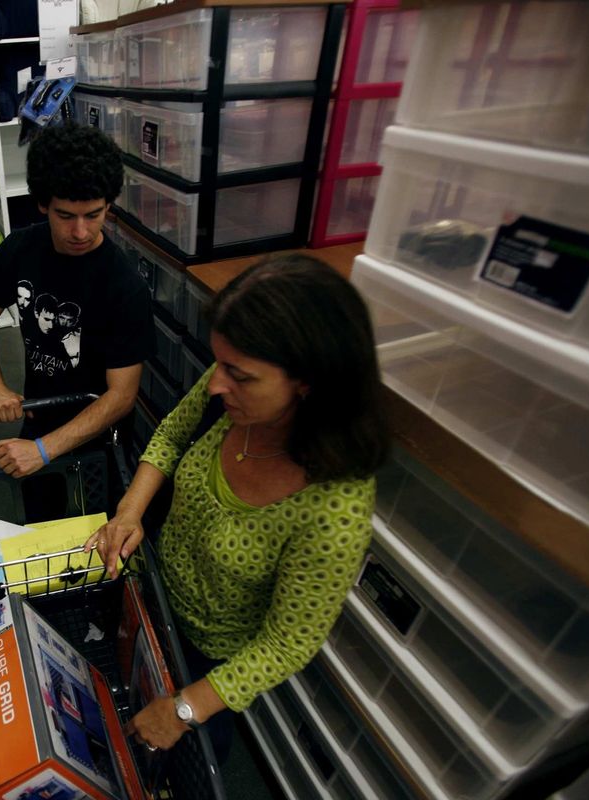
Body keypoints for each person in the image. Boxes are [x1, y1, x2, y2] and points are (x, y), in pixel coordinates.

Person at [85, 254, 389, 759]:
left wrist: (185, 709)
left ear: (308, 382)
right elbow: (171, 437)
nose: (217, 382)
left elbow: (287, 643)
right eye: (219, 363)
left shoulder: (335, 509)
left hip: (209, 661)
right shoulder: (229, 393)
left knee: (182, 759)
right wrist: (130, 511)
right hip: (154, 595)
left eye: (240, 375)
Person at [0, 124, 153, 517]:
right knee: (40, 522)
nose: (80, 231)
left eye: (94, 215)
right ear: (42, 204)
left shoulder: (124, 285)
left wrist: (43, 450)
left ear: (109, 205)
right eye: (65, 215)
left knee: (102, 525)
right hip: (40, 410)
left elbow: (121, 395)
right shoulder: (20, 249)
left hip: (102, 428)